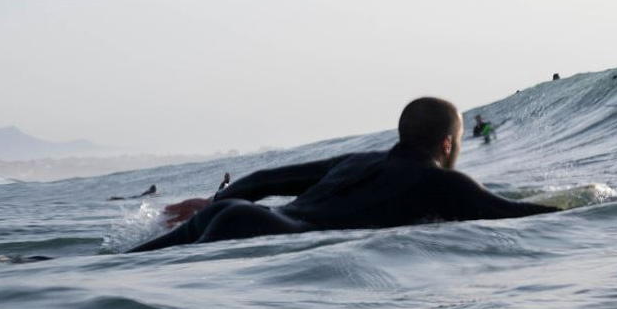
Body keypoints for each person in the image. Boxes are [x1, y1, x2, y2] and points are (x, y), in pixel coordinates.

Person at [128, 98, 561, 253]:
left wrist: (215, 204)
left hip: (239, 215)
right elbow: (518, 214)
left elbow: (262, 179)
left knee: (115, 267)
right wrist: (614, 205)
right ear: (447, 144)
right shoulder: (444, 183)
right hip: (264, 231)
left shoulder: (355, 161)